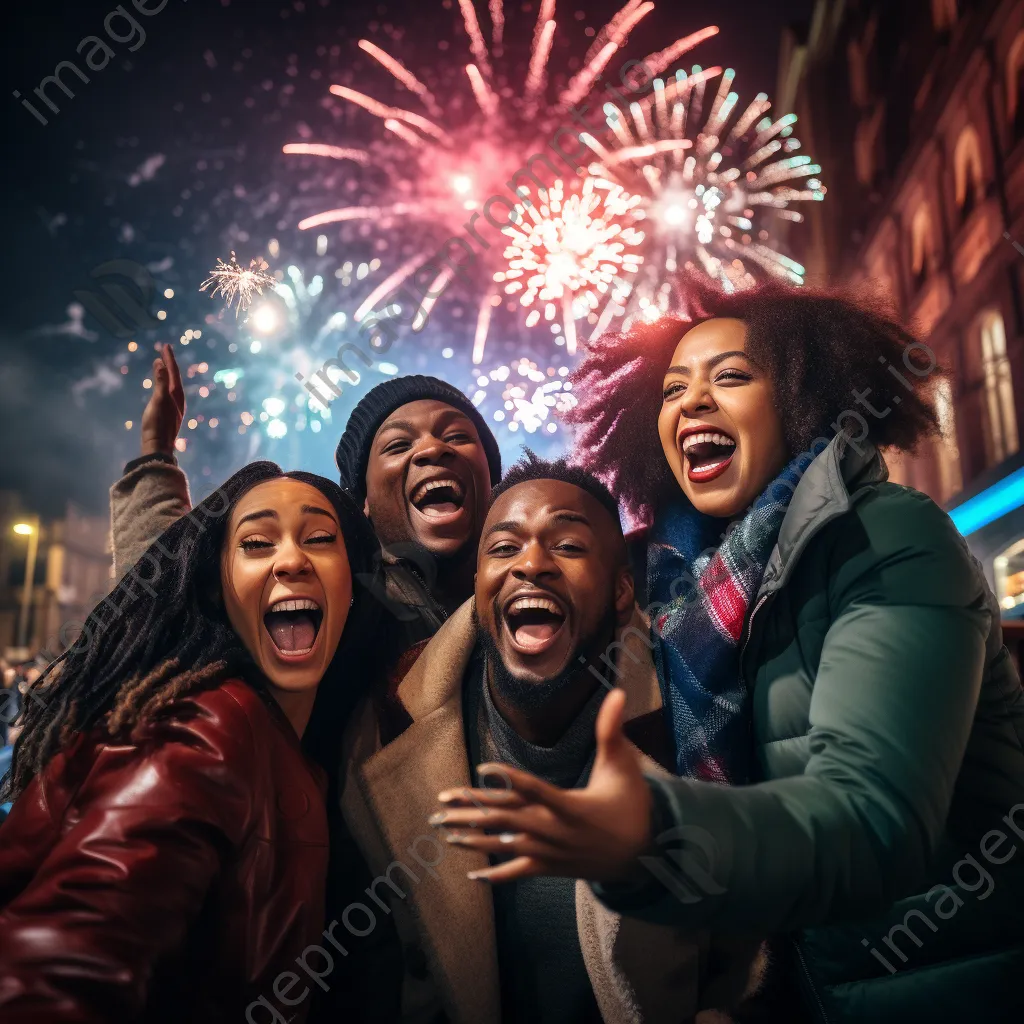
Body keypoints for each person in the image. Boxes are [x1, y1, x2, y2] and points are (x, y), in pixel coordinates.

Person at [435, 280, 1024, 1022]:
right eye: (674, 389)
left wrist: (659, 836)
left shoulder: (887, 539)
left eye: (731, 377)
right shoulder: (675, 585)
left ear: (806, 395)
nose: (692, 403)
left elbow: (876, 822)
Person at [343, 452, 766, 1024]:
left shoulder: (700, 719)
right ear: (477, 583)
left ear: (621, 591)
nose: (532, 564)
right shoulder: (383, 722)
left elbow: (748, 969)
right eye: (503, 547)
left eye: (567, 546)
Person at [0, 461, 382, 1023]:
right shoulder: (209, 727)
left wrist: (156, 457)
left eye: (321, 538)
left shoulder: (304, 739)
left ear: (354, 580)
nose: (293, 559)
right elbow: (59, 971)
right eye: (256, 543)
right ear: (217, 587)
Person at [113, 345, 501, 648]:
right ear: (362, 500)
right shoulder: (337, 597)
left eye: (457, 437)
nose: (432, 450)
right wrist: (156, 450)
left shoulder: (542, 585)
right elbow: (164, 602)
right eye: (398, 445)